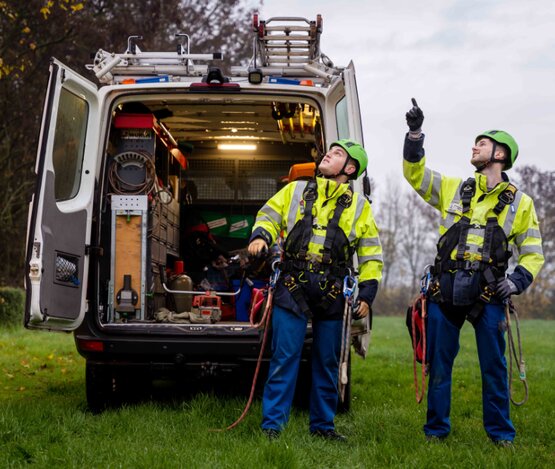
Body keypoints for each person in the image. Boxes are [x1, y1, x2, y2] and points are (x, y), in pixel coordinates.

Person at [403, 99, 544, 446]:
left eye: (482, 143)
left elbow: (533, 252)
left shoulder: (520, 203)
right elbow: (415, 175)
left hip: (490, 294)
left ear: (500, 154)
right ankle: (436, 432)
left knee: (495, 369)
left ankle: (501, 436)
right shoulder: (453, 187)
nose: (474, 146)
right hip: (445, 289)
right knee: (438, 365)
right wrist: (415, 135)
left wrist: (516, 281)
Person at [248, 139, 383, 441]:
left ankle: (323, 427)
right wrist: (261, 237)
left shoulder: (360, 208)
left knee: (327, 361)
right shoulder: (296, 190)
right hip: (292, 285)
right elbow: (269, 214)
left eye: (336, 154)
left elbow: (372, 254)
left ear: (350, 168)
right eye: (329, 151)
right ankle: (272, 427)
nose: (327, 155)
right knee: (285, 358)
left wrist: (367, 294)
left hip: (333, 291)